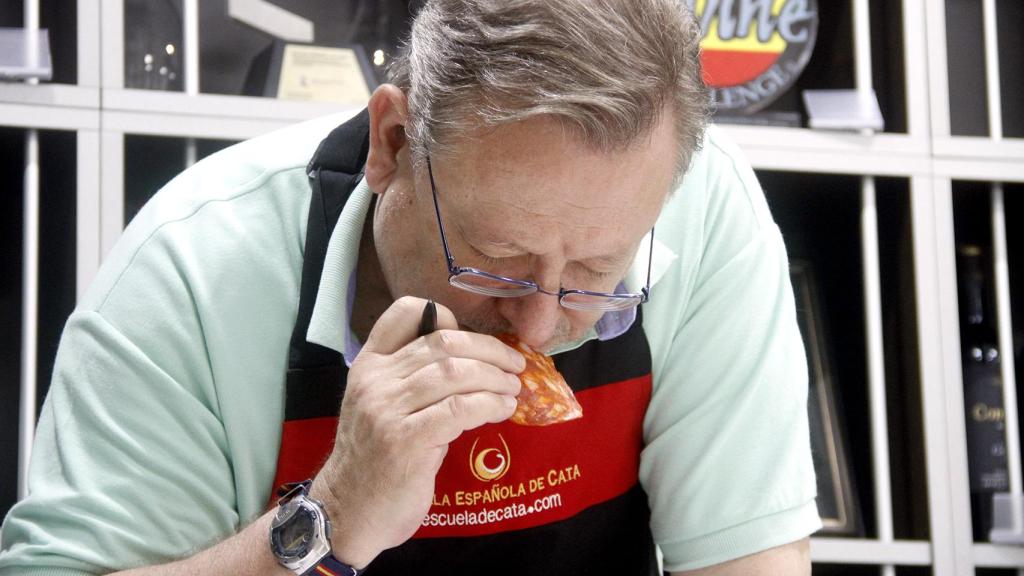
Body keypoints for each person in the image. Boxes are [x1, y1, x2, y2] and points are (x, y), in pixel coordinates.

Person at [0, 0, 820, 574]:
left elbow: (744, 558)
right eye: (495, 256)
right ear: (392, 142)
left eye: (598, 276)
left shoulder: (706, 210)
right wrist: (330, 518)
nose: (536, 326)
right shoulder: (193, 269)